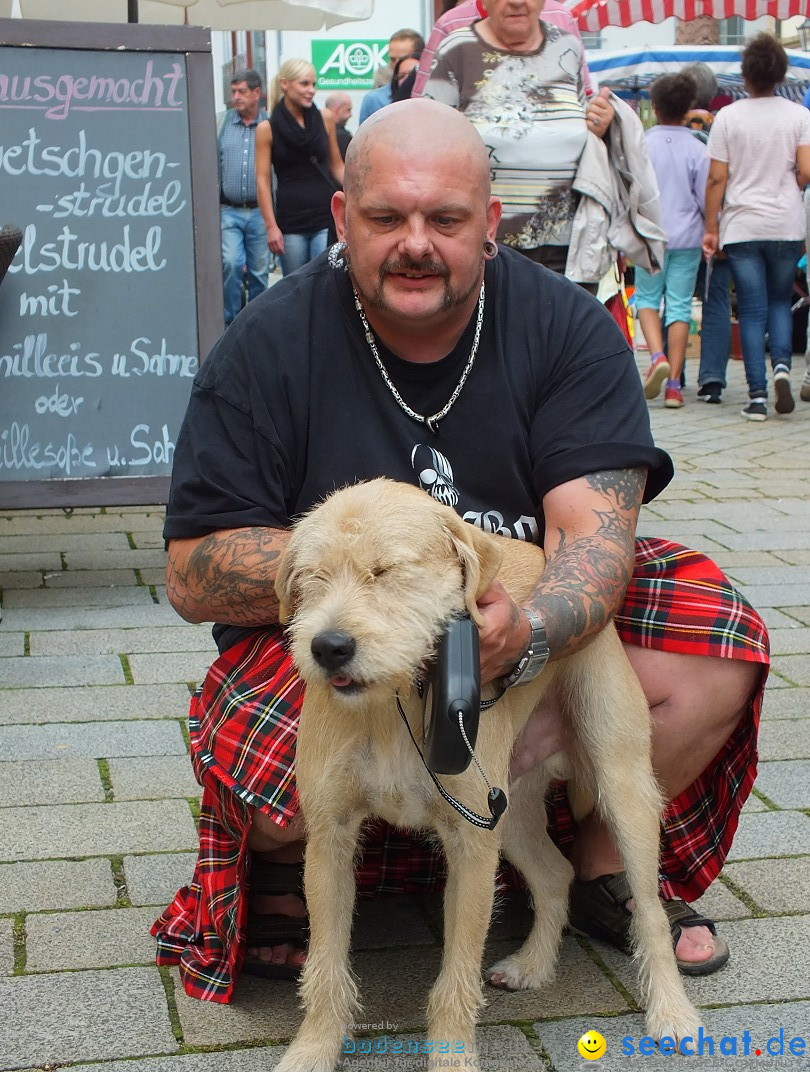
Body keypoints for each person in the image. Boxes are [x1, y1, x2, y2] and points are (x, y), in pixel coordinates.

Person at [153, 99, 768, 1001]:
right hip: (341, 636)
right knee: (263, 756)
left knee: (716, 635)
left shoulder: (566, 328)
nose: (415, 243)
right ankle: (301, 862)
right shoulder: (266, 345)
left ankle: (593, 866)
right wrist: (351, 574)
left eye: (444, 219)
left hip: (513, 612)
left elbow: (592, 539)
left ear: (490, 224)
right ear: (339, 219)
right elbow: (190, 569)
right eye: (385, 217)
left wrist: (533, 631)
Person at [420, 0, 648, 286]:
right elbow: (426, 140)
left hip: (567, 246)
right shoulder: (457, 48)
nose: (517, 2)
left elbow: (581, 125)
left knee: (564, 329)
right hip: (486, 246)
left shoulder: (567, 45)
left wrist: (598, 124)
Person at [703, 33, 810, 422]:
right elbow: (807, 170)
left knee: (751, 309)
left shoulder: (729, 118)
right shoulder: (799, 115)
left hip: (742, 225)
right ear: (780, 74)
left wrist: (711, 226)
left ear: (746, 75)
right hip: (786, 224)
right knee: (782, 300)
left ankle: (758, 397)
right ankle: (782, 365)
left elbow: (716, 179)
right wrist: (787, 187)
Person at [636, 73, 709, 410]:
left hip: (649, 233)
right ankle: (675, 385)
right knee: (679, 306)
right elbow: (704, 198)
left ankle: (656, 355)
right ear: (687, 108)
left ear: (655, 105)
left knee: (648, 300)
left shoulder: (642, 144)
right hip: (687, 235)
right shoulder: (698, 148)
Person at [255, 59, 344, 277]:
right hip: (291, 220)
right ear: (285, 84)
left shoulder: (325, 118)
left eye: (314, 85)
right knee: (297, 285)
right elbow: (262, 181)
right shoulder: (267, 129)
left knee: (327, 281)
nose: (311, 90)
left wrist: (357, 193)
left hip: (325, 216)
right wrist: (270, 226)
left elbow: (337, 166)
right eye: (304, 84)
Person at [412, 0, 594, 99]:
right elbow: (424, 111)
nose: (516, 2)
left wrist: (599, 120)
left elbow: (585, 101)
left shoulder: (561, 19)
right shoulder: (450, 27)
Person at [218, 69, 269, 327]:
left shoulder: (269, 125)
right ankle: (230, 324)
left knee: (260, 273)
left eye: (242, 91)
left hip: (261, 211)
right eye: (233, 92)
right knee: (231, 264)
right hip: (229, 210)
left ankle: (256, 325)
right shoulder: (223, 123)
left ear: (256, 93)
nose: (236, 97)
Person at [358, 28, 425, 123]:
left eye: (403, 59)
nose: (397, 65)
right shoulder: (374, 100)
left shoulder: (435, 97)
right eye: (393, 60)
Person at [323, 91, 353, 160]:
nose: (351, 115)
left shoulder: (316, 133)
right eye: (348, 110)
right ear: (337, 109)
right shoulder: (343, 137)